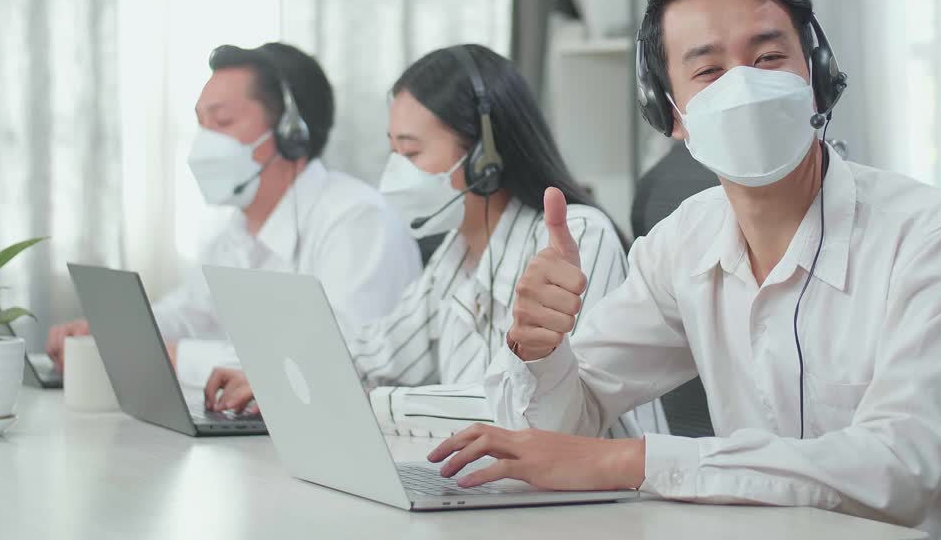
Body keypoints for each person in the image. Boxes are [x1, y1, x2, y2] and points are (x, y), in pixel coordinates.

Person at [429, 0, 941, 539]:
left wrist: (630, 463)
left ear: (817, 77)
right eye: (708, 71)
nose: (744, 86)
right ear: (668, 113)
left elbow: (895, 470)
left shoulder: (934, 242)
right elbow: (562, 425)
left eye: (769, 56)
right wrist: (539, 350)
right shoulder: (683, 244)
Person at [204, 44, 665, 438]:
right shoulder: (455, 256)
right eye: (394, 151)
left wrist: (371, 404)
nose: (395, 171)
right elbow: (378, 354)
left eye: (413, 151)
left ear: (484, 157)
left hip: (611, 507)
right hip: (517, 499)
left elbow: (540, 412)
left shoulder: (578, 237)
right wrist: (281, 375)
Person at [47, 42, 422, 389]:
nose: (204, 141)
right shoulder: (234, 231)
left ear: (292, 132)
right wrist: (112, 334)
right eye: (200, 124)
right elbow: (191, 312)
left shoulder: (359, 220)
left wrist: (164, 357)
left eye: (222, 122)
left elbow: (334, 360)